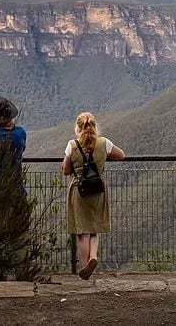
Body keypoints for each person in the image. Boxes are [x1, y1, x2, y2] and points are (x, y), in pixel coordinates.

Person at [61, 111, 126, 280]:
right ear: (95, 126)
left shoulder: (72, 145)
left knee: (82, 231)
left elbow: (66, 170)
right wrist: (103, 157)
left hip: (79, 190)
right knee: (95, 226)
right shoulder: (103, 143)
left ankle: (84, 267)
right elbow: (121, 155)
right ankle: (94, 256)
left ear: (77, 127)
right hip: (98, 189)